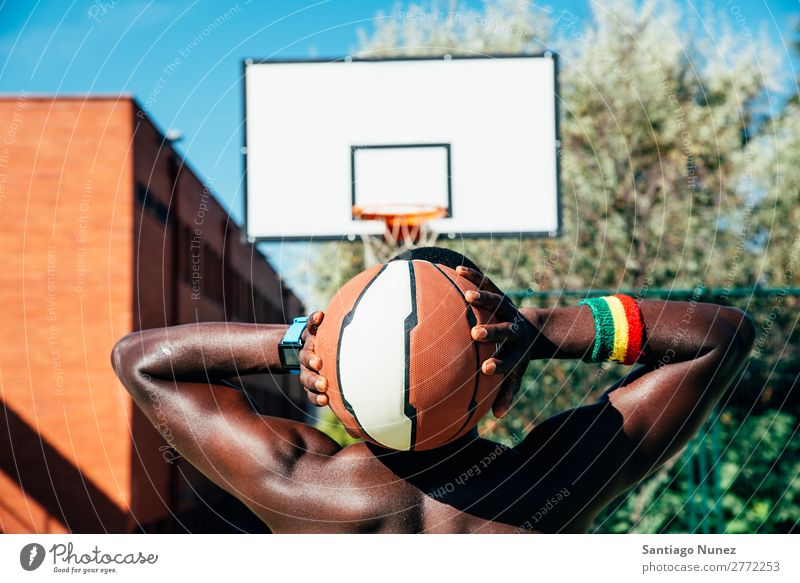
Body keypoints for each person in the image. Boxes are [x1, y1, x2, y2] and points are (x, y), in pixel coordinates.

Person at [111, 248, 755, 533]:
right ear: (502, 388)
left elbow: (139, 360)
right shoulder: (550, 487)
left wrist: (300, 340)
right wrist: (537, 328)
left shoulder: (298, 487)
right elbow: (721, 337)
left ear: (329, 386)